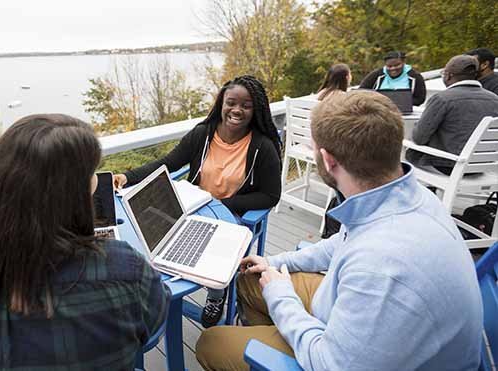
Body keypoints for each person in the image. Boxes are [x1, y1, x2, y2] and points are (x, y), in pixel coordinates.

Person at [195, 91, 483, 371]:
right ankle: (286, 337)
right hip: (358, 319)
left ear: (328, 161)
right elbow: (341, 243)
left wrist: (282, 298)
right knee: (251, 279)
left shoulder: (381, 268)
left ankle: (277, 352)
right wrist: (275, 263)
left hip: (338, 355)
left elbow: (331, 363)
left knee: (211, 343)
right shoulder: (405, 196)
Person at [0, 114, 170, 370]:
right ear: (69, 196)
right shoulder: (122, 271)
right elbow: (155, 319)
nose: (95, 183)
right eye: (90, 174)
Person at [113, 75, 282, 328]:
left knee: (211, 258)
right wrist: (127, 176)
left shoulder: (262, 147)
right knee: (149, 236)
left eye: (246, 106)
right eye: (231, 103)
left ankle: (216, 295)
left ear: (255, 109)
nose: (237, 110)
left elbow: (271, 195)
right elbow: (167, 164)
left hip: (231, 212)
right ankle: (157, 290)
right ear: (221, 103)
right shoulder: (203, 134)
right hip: (190, 207)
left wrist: (226, 203)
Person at [406, 55, 498, 175]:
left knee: (408, 152)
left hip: (449, 166)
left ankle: (428, 192)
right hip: (483, 168)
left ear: (448, 75)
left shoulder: (442, 99)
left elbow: (419, 138)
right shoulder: (495, 99)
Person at [359, 51, 427, 105]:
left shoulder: (415, 77)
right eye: (389, 66)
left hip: (405, 111)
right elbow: (361, 92)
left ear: (403, 63)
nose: (393, 68)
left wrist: (399, 101)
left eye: (397, 65)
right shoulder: (376, 75)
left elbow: (420, 99)